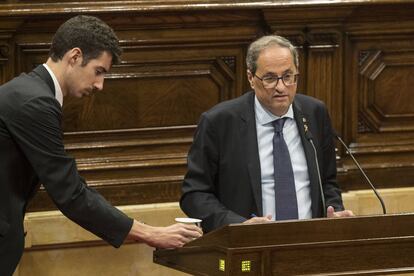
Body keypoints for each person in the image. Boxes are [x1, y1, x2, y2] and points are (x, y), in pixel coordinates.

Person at [0, 15, 202, 276]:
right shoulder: (35, 103)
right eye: (99, 71)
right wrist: (152, 233)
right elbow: (70, 194)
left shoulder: (30, 92)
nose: (100, 85)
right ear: (74, 56)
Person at [180, 35, 353, 233]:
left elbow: (327, 182)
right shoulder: (219, 122)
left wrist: (335, 211)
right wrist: (237, 224)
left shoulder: (314, 112)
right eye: (270, 78)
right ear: (251, 78)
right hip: (249, 246)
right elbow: (194, 194)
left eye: (288, 76)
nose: (281, 87)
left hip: (311, 242)